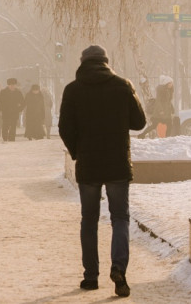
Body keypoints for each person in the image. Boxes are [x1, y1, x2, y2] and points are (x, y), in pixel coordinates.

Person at [59, 45, 146, 297]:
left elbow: (65, 126)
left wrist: (78, 152)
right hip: (118, 163)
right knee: (120, 218)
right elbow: (139, 122)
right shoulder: (122, 85)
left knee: (89, 220)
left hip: (88, 165)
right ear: (106, 62)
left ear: (83, 62)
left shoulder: (73, 90)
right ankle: (119, 268)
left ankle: (90, 277)